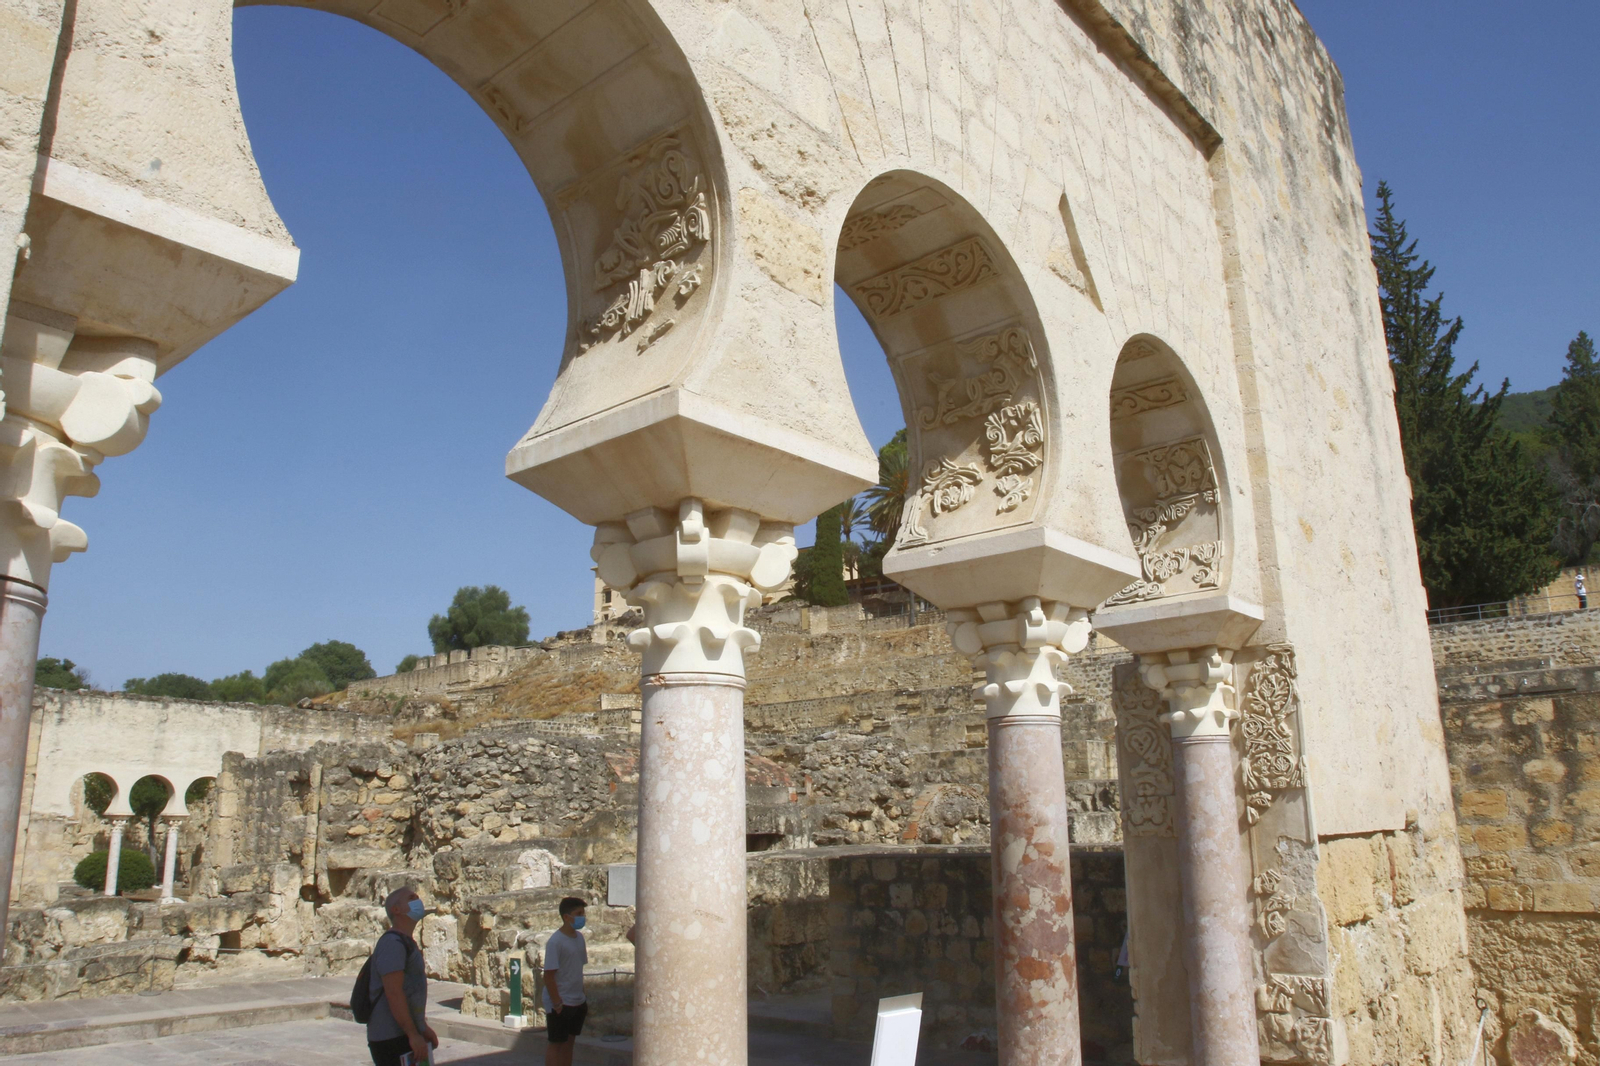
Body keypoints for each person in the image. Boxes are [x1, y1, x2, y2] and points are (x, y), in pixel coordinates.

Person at [366, 886, 438, 1066]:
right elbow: (393, 992)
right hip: (392, 1037)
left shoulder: (405, 942)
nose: (417, 900)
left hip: (402, 1034)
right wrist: (413, 1035)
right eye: (411, 898)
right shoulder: (393, 943)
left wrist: (421, 1027)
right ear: (396, 910)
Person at [543, 896, 589, 1066]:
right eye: (579, 913)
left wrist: (582, 996)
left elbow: (578, 968)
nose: (583, 916)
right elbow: (548, 976)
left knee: (570, 1043)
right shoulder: (555, 942)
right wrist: (557, 1003)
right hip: (561, 1002)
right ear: (566, 917)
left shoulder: (580, 938)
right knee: (556, 1044)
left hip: (577, 1000)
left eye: (583, 913)